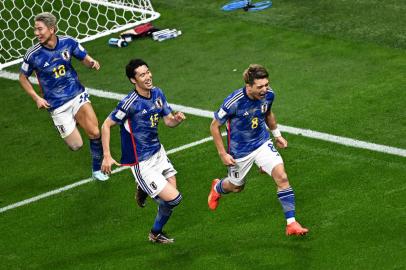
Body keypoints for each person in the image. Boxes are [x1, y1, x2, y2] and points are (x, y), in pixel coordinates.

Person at [208, 64, 309, 236]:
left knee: (282, 177)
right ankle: (217, 187)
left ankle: (291, 223)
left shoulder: (269, 95)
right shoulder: (234, 102)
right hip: (239, 152)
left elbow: (268, 113)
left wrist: (277, 135)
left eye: (266, 85)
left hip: (262, 143)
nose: (265, 89)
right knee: (236, 187)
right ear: (249, 86)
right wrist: (222, 153)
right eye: (260, 86)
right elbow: (214, 126)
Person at [101, 59, 185, 244]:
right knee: (174, 199)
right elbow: (106, 124)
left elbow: (168, 121)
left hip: (158, 153)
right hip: (141, 162)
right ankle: (144, 187)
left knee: (171, 197)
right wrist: (107, 155)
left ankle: (155, 234)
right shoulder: (129, 104)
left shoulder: (157, 93)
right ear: (133, 80)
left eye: (148, 72)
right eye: (142, 75)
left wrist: (176, 119)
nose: (148, 77)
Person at [19, 12, 108, 181]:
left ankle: (97, 169)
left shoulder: (68, 42)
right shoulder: (33, 54)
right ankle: (73, 121)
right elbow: (22, 77)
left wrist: (91, 62)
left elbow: (83, 57)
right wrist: (36, 97)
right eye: (35, 29)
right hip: (57, 104)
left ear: (52, 29)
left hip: (76, 94)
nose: (36, 33)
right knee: (76, 145)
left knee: (95, 132)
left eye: (40, 29)